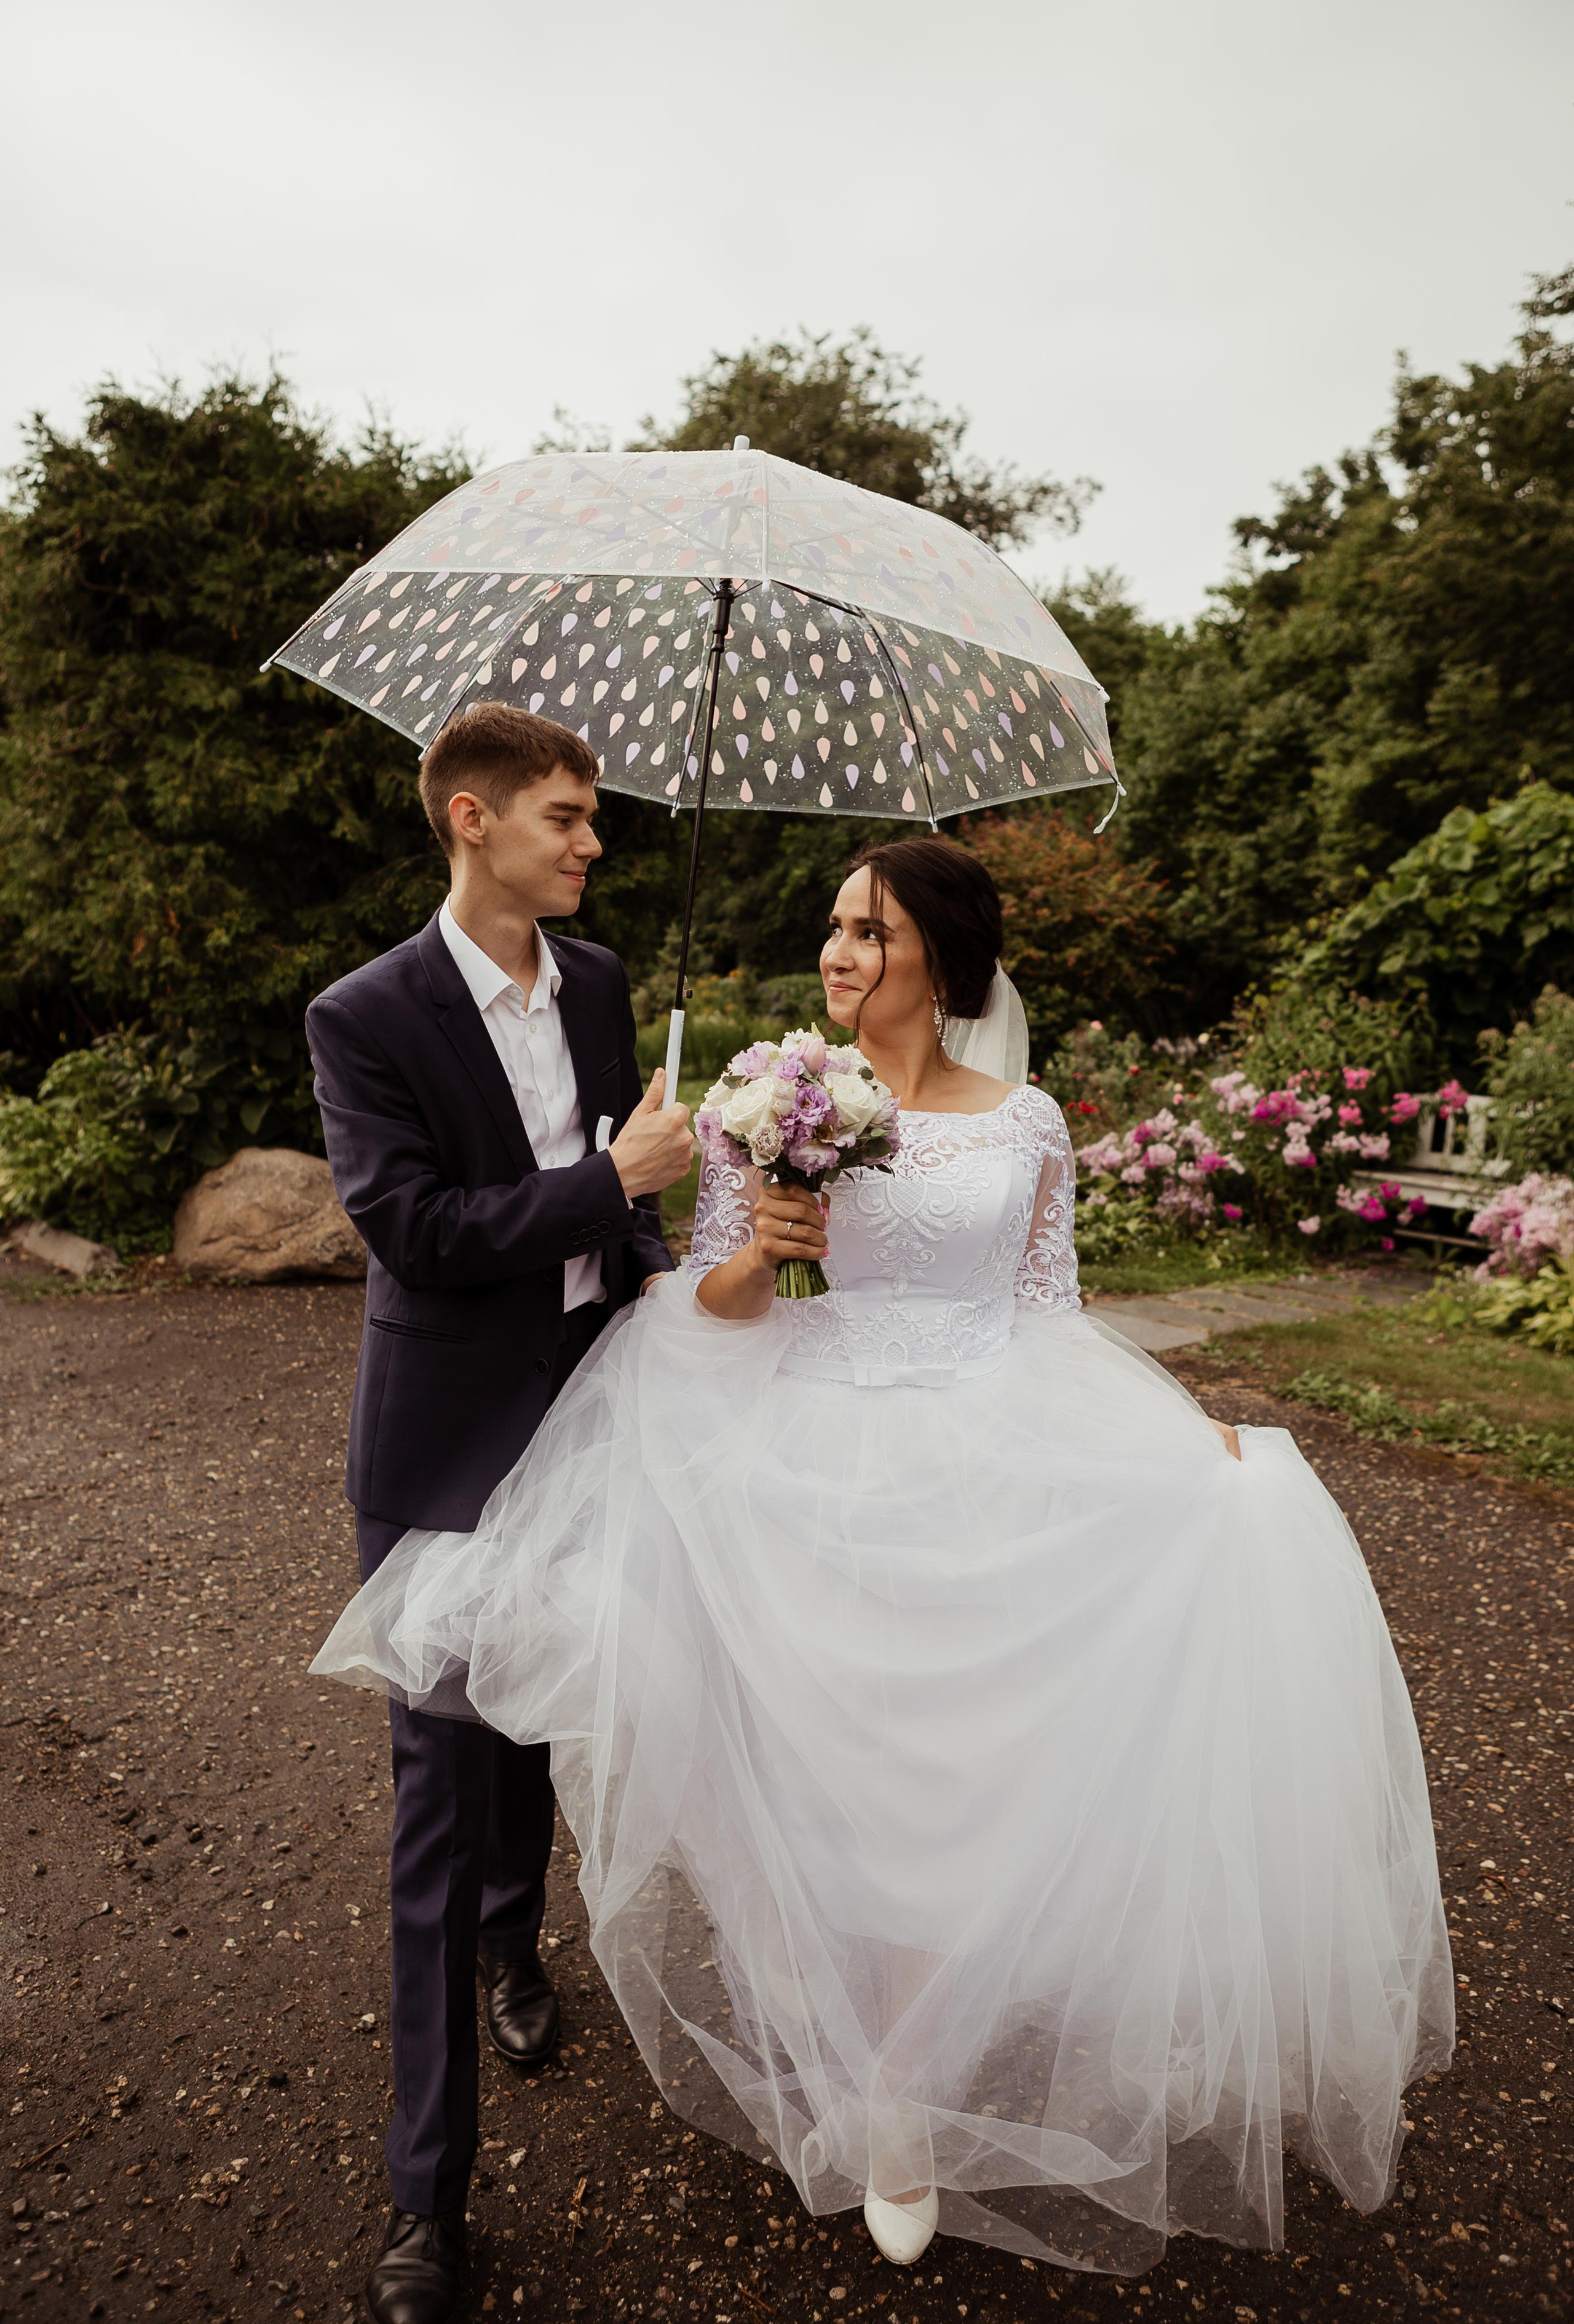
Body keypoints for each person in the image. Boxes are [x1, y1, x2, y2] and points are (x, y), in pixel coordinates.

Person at [314, 835, 1452, 2286]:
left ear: (941, 958)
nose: (840, 954)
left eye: (871, 931)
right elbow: (721, 1299)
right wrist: (764, 1244)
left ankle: (898, 2097)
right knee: (818, 1784)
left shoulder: (1025, 1120)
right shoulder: (769, 1096)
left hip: (977, 1458)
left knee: (950, 1786)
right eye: (834, 929)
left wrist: (1176, 1441)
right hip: (801, 1464)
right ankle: (839, 2049)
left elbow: (1048, 1311)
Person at [304, 703, 692, 2324]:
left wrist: (675, 1259)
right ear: (470, 820)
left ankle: (516, 1944)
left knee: (541, 1732)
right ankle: (425, 2199)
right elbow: (417, 1228)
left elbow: (631, 1215)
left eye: (592, 818)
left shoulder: (602, 986)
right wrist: (614, 1182)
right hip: (448, 1451)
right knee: (437, 1800)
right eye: (564, 816)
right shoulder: (367, 1015)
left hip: (600, 1423)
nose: (592, 841)